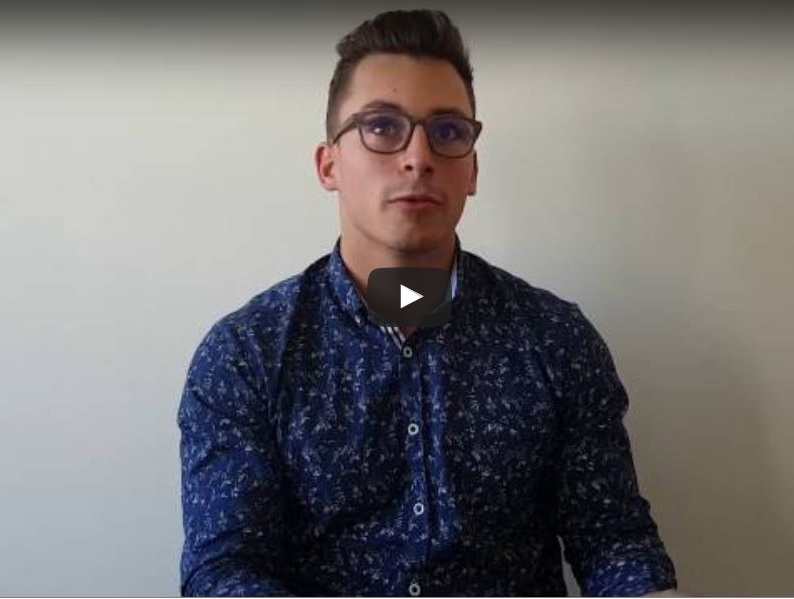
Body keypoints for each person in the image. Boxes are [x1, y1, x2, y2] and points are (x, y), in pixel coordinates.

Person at [178, 9, 678, 597]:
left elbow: (613, 541)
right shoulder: (247, 354)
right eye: (381, 127)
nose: (418, 157)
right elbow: (226, 570)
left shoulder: (555, 338)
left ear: (472, 170)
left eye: (447, 132)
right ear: (329, 164)